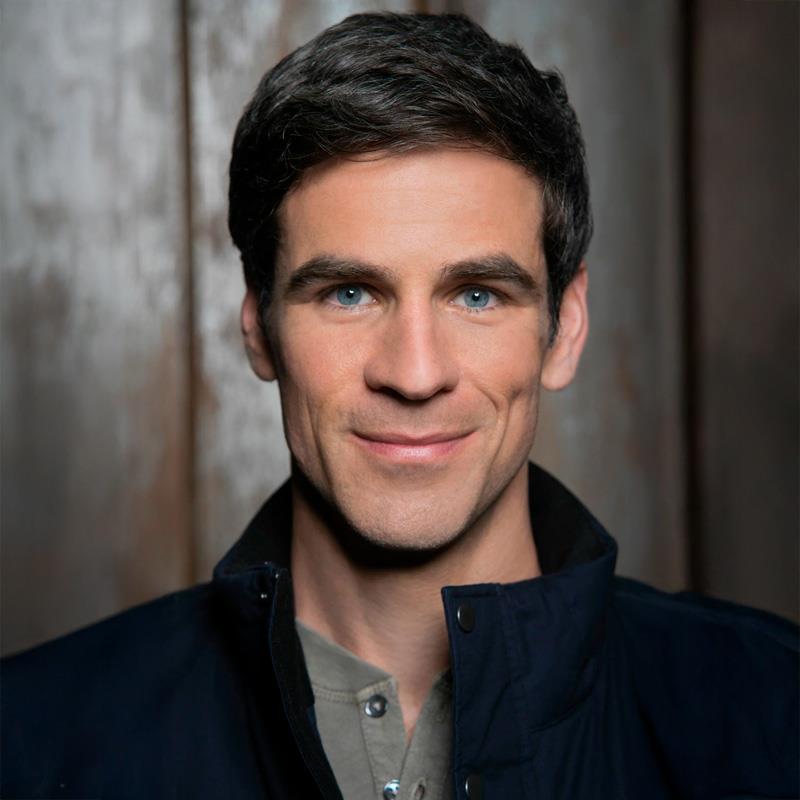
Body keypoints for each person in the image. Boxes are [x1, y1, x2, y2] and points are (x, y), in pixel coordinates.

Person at [2, 12, 797, 800]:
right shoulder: (30, 738)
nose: (415, 375)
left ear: (566, 329)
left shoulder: (775, 715)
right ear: (259, 327)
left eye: (477, 295)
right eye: (349, 293)